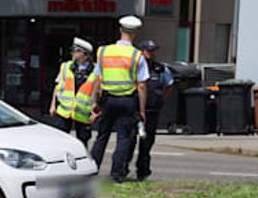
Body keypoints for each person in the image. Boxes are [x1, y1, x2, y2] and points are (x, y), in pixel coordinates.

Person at [89, 15, 150, 183]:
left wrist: (94, 102)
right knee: (123, 138)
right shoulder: (137, 56)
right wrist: (142, 110)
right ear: (135, 33)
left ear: (120, 30)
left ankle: (92, 170)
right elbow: (142, 85)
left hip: (107, 100)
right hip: (127, 101)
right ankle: (116, 174)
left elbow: (97, 79)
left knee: (102, 135)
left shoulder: (103, 51)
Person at [133, 39, 173, 181]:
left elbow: (169, 84)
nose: (152, 53)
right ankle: (122, 169)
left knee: (147, 143)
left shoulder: (160, 69)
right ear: (141, 52)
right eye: (149, 50)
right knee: (130, 141)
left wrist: (161, 99)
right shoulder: (135, 67)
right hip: (134, 109)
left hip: (152, 110)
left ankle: (143, 171)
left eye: (153, 50)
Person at [48, 37, 97, 146]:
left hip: (83, 112)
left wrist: (96, 111)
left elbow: (100, 92)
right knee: (60, 140)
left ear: (84, 53)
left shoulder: (96, 70)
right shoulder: (66, 66)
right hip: (64, 110)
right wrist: (53, 105)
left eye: (75, 51)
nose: (72, 53)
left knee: (82, 142)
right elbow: (57, 86)